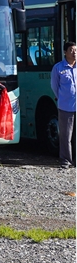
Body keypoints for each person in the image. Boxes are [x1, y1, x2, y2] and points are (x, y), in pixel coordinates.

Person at [50, 41, 77, 169]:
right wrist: (62, 98)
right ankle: (66, 160)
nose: (74, 52)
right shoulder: (58, 68)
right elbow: (55, 86)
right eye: (71, 50)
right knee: (66, 135)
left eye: (76, 50)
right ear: (65, 52)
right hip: (66, 106)